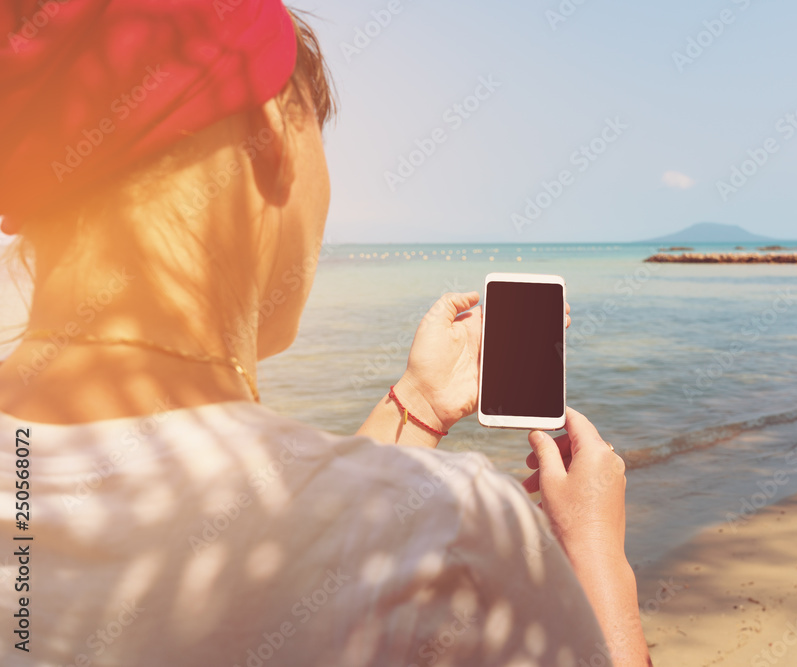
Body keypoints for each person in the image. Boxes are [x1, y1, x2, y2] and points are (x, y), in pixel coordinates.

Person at [0, 1, 651, 666]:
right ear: (270, 141)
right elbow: (322, 541)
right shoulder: (455, 540)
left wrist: (417, 404)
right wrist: (602, 566)